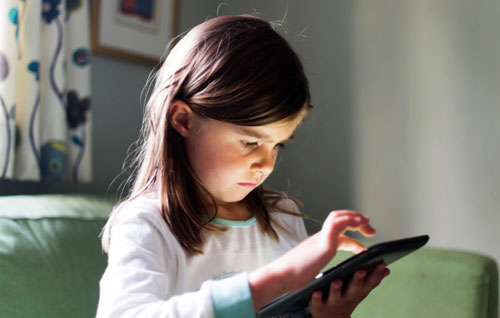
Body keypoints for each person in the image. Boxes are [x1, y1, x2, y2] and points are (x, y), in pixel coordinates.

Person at [97, 14, 389, 318]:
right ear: (183, 120)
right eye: (250, 142)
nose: (266, 164)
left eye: (278, 145)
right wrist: (278, 278)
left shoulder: (282, 217)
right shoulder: (147, 224)